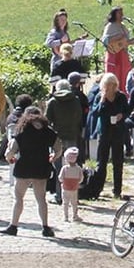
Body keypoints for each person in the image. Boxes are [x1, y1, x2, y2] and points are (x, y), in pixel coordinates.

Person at [1, 105, 57, 237]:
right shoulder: (48, 131)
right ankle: (45, 227)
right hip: (41, 167)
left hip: (24, 168)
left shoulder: (22, 131)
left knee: (19, 197)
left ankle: (13, 226)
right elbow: (58, 147)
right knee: (41, 199)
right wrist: (54, 156)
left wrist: (10, 159)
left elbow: (11, 151)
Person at [43, 73, 86, 201]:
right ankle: (73, 194)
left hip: (57, 136)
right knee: (72, 164)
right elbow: (79, 117)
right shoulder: (76, 100)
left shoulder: (53, 101)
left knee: (58, 167)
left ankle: (59, 194)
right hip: (72, 135)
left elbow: (47, 120)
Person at [88, 72, 130, 198]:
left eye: (112, 85)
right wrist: (102, 100)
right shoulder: (100, 96)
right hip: (105, 131)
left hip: (118, 131)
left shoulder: (121, 96)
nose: (110, 87)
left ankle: (117, 190)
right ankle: (98, 188)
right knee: (102, 161)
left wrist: (121, 115)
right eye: (107, 85)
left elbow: (127, 110)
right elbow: (95, 113)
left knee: (118, 162)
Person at [101, 7, 134, 88]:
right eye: (119, 13)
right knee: (113, 76)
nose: (122, 15)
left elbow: (126, 41)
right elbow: (105, 40)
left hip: (123, 54)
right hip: (113, 54)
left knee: (124, 76)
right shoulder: (110, 26)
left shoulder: (123, 26)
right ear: (114, 14)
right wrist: (117, 37)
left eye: (122, 13)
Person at [57, 147, 85, 222]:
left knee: (65, 203)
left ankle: (65, 217)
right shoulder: (78, 168)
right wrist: (77, 182)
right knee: (74, 203)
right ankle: (75, 216)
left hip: (65, 188)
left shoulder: (64, 168)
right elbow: (81, 178)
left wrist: (62, 181)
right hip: (74, 188)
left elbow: (60, 178)